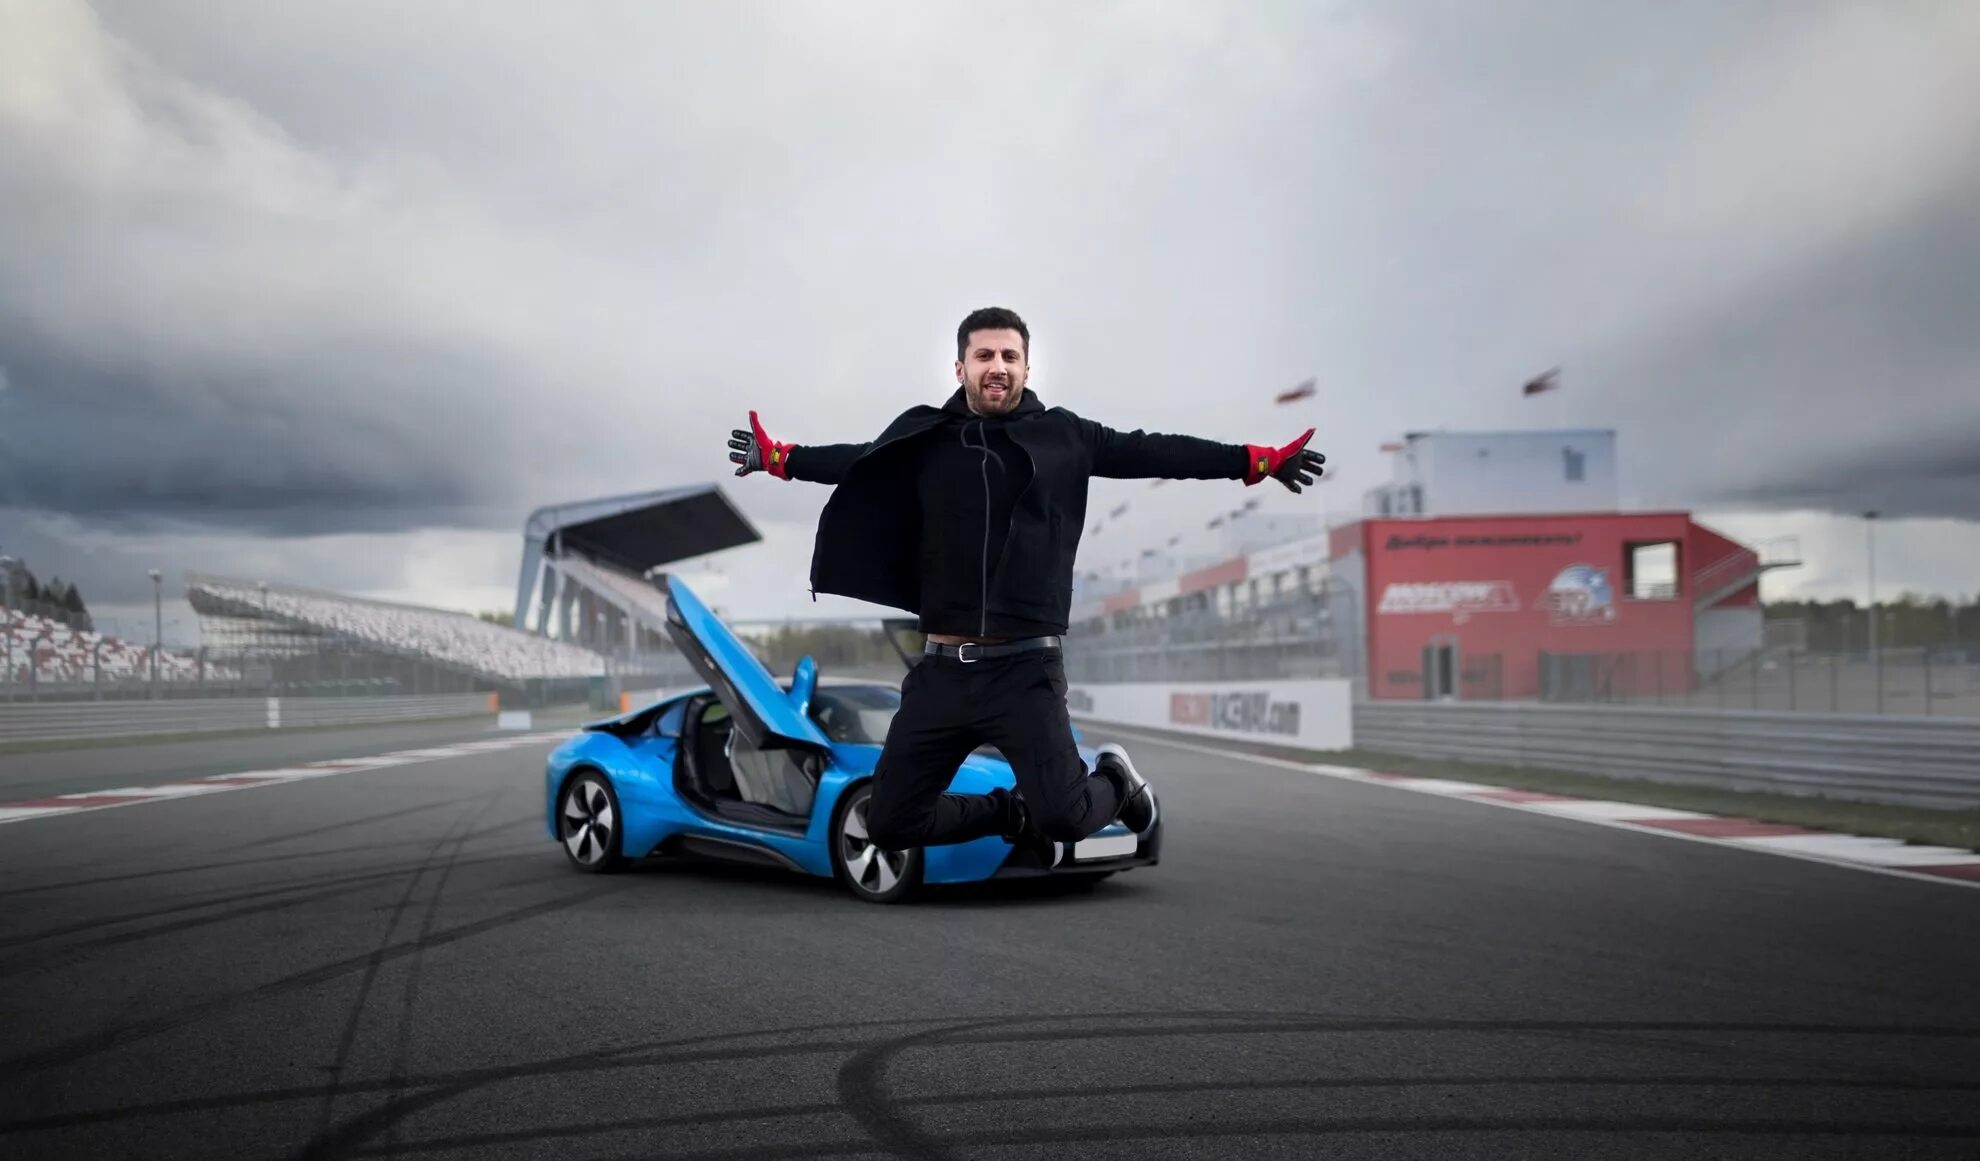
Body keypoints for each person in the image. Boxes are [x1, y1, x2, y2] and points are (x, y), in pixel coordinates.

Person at [726, 306, 1324, 865]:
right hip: (942, 673)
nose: (998, 367)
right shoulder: (926, 439)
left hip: (1025, 671)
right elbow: (855, 461)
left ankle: (1116, 780)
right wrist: (779, 457)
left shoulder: (1066, 435)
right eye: (984, 356)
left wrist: (1257, 462)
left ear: (1027, 369)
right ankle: (1010, 812)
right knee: (889, 823)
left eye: (1010, 357)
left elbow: (1156, 451)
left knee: (1065, 817)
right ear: (960, 367)